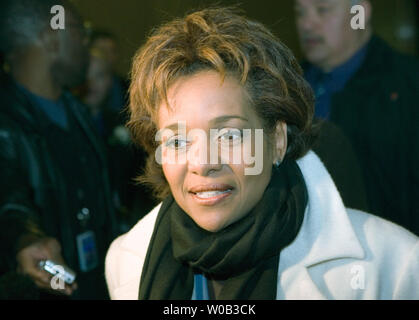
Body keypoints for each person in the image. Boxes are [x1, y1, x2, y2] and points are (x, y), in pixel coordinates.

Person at [105, 7, 419, 300]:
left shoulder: (397, 265)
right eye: (176, 142)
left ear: (278, 141)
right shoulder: (126, 260)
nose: (203, 163)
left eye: (229, 135)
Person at [0, 0, 118, 299]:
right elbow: (8, 199)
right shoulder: (6, 123)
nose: (86, 42)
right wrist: (26, 238)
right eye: (81, 30)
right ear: (52, 37)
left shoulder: (79, 114)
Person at [295, 0, 419, 235]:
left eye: (323, 10)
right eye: (300, 12)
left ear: (359, 14)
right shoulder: (284, 86)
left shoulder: (409, 88)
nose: (306, 24)